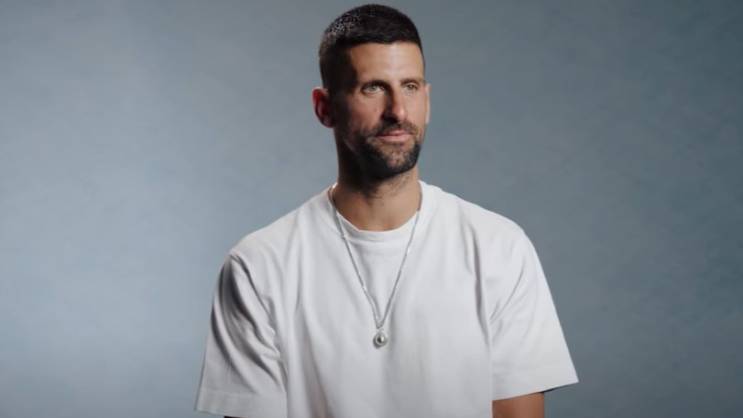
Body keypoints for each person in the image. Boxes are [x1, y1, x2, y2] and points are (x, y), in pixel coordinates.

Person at [195, 4, 578, 418]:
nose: (398, 110)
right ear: (324, 107)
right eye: (373, 88)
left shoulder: (500, 248)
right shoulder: (258, 266)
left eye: (410, 86)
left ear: (427, 100)